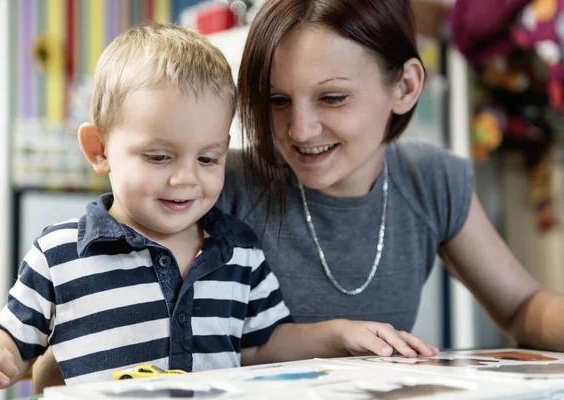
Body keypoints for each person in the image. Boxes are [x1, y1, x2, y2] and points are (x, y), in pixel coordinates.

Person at [0, 23, 437, 400]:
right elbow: (12, 338)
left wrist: (342, 334)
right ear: (99, 149)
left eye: (208, 159)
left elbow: (263, 346)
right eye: (158, 157)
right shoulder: (60, 252)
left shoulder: (240, 252)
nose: (186, 179)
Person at [217, 0, 564, 352]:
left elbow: (522, 307)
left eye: (333, 97)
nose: (300, 131)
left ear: (406, 87)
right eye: (278, 100)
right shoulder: (218, 184)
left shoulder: (429, 178)